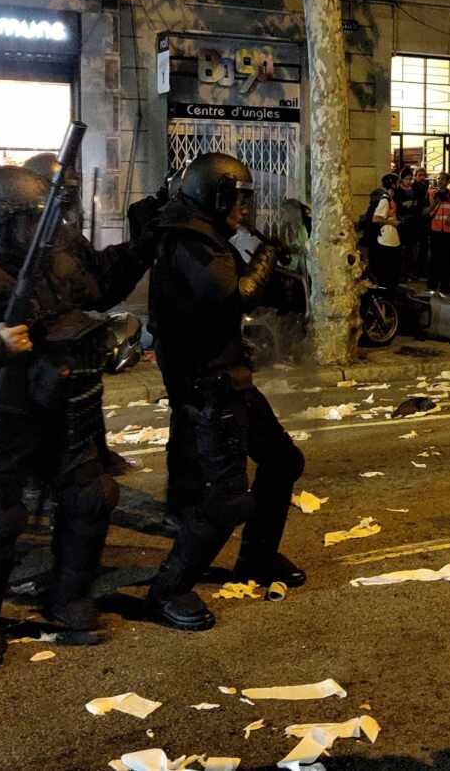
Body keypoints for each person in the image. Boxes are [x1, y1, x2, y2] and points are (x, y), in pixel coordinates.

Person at [0, 166, 153, 672]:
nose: (49, 228)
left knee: (90, 497)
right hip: (2, 413)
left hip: (67, 405)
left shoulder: (56, 261)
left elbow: (96, 293)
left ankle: (68, 596)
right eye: (32, 220)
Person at [143, 152, 306, 632]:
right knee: (228, 499)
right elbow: (234, 293)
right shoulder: (190, 241)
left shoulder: (204, 233)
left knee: (282, 461)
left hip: (228, 376)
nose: (243, 209)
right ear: (214, 196)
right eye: (236, 198)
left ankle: (256, 559)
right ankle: (168, 589)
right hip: (208, 385)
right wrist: (266, 255)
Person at [364, 173, 402, 288]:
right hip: (386, 239)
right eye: (397, 182)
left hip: (391, 238)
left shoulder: (389, 199)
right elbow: (376, 218)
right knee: (388, 272)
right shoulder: (385, 200)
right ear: (393, 184)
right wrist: (391, 222)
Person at [427, 173, 450, 294]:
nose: (440, 181)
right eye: (439, 179)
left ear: (448, 181)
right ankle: (432, 284)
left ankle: (445, 285)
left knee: (447, 259)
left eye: (443, 179)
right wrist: (436, 200)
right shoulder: (432, 193)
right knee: (434, 258)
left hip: (449, 231)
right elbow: (429, 209)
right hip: (435, 229)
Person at [401, 167, 431, 283]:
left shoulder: (425, 188)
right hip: (412, 224)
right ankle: (411, 272)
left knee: (422, 248)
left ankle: (419, 271)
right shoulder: (412, 189)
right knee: (410, 249)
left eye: (424, 175)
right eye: (419, 175)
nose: (422, 177)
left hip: (422, 223)